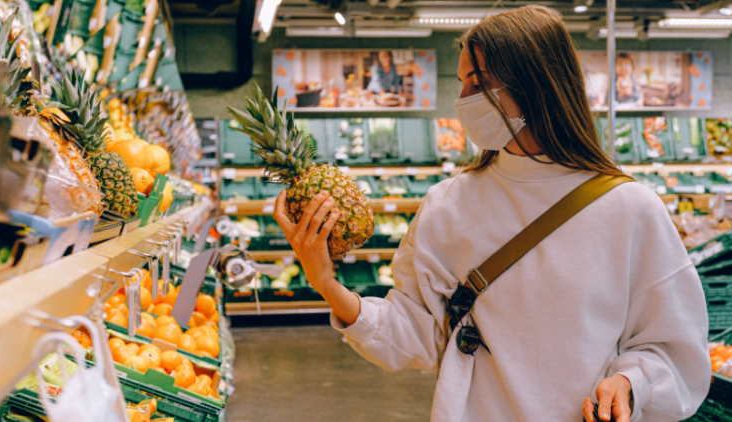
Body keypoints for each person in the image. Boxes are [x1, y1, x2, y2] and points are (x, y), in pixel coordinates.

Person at [272, 5, 710, 422]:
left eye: (478, 84)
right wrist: (326, 284)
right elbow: (415, 335)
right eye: (463, 83)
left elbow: (676, 349)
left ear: (535, 85)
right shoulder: (449, 204)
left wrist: (632, 382)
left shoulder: (630, 211)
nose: (463, 101)